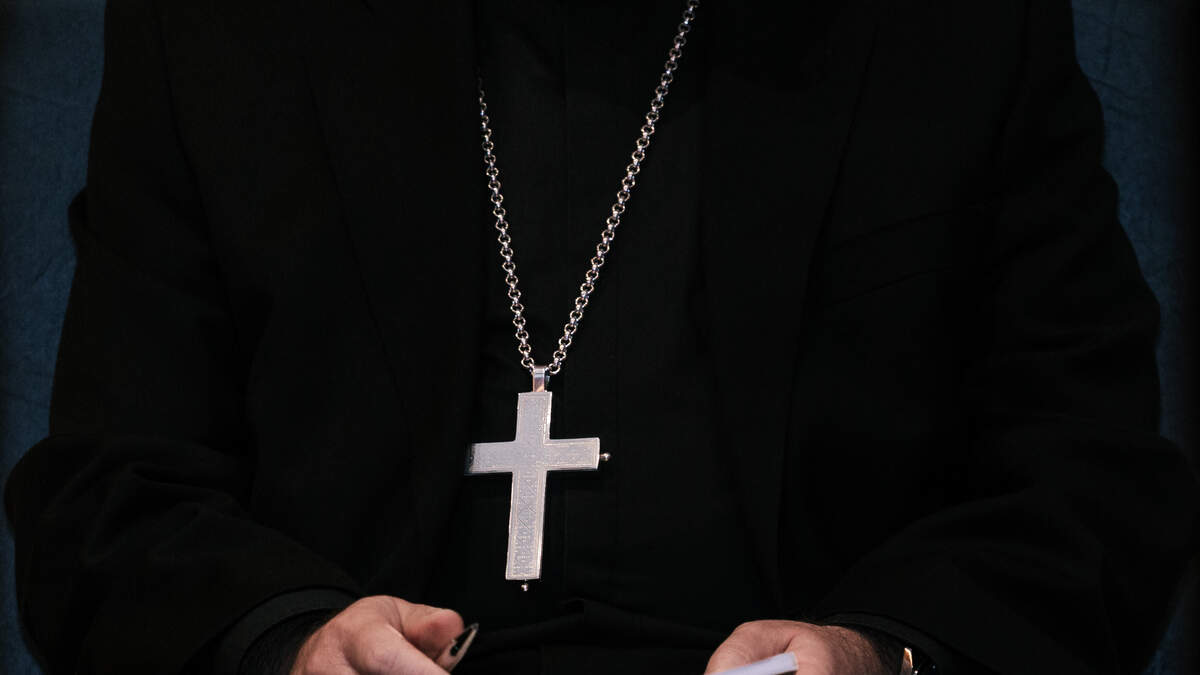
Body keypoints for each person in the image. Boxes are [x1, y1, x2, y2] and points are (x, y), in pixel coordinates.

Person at [5, 0, 1197, 673]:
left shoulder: (959, 31)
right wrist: (288, 641)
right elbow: (107, 496)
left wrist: (885, 653)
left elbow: (1089, 482)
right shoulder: (218, 33)